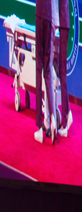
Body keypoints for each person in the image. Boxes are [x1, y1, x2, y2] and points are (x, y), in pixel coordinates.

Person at [34, 0, 58, 143]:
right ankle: (52, 118)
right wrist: (54, 23)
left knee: (39, 69)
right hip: (49, 18)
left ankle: (39, 127)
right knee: (48, 71)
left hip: (40, 14)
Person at [57, 0, 73, 137]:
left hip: (62, 24)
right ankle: (67, 112)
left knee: (62, 72)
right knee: (60, 71)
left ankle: (65, 122)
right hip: (61, 23)